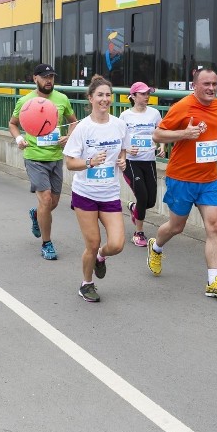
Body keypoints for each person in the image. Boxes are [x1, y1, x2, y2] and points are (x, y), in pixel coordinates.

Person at [147, 67, 217, 298]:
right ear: (194, 86)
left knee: (215, 227)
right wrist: (183, 135)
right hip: (182, 178)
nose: (211, 89)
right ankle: (156, 246)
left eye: (215, 84)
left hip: (209, 180)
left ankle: (213, 281)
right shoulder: (183, 107)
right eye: (206, 84)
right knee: (177, 227)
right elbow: (157, 135)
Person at [63, 75, 129, 302]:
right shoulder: (83, 128)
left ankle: (101, 256)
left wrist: (123, 160)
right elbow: (71, 163)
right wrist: (90, 162)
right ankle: (86, 283)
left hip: (110, 193)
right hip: (85, 194)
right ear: (90, 98)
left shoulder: (119, 125)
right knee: (92, 243)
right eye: (100, 95)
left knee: (117, 244)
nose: (104, 99)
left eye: (108, 95)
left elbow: (123, 151)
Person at [8, 63, 78, 260]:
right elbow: (13, 124)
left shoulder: (62, 99)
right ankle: (47, 244)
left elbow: (74, 121)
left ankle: (37, 215)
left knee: (53, 202)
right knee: (46, 199)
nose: (49, 80)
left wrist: (69, 136)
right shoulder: (25, 101)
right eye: (45, 77)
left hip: (55, 157)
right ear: (35, 79)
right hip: (34, 157)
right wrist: (19, 139)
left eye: (52, 77)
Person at [119, 81, 165, 247]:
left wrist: (162, 146)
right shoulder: (125, 116)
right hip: (131, 162)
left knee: (150, 201)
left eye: (148, 93)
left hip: (149, 161)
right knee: (142, 196)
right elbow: (119, 138)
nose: (147, 96)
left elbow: (160, 132)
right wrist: (127, 149)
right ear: (133, 96)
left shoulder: (154, 113)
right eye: (143, 93)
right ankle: (138, 233)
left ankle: (134, 208)